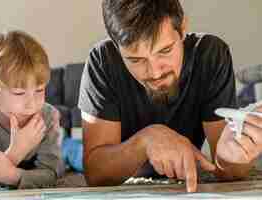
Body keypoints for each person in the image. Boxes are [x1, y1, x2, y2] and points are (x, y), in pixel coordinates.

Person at [78, 0, 260, 192]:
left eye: (165, 51)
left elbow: (226, 170)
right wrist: (145, 141)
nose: (155, 73)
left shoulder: (210, 55)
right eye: (135, 60)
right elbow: (95, 174)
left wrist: (234, 156)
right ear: (116, 47)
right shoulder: (102, 61)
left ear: (182, 29)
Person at [0, 30, 65, 192]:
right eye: (19, 93)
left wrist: (11, 175)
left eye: (39, 90)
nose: (32, 104)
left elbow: (52, 175)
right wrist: (16, 152)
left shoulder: (49, 116)